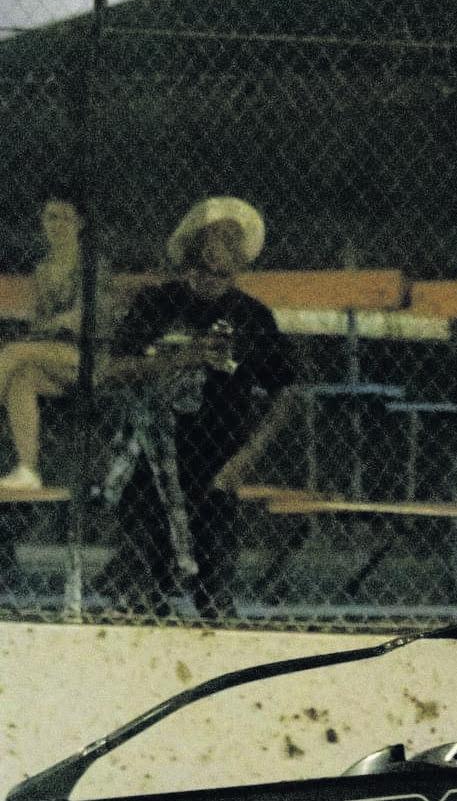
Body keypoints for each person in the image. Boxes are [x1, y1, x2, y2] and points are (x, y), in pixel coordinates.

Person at [94, 197, 298, 618]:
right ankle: (137, 590)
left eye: (235, 242)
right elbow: (112, 370)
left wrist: (247, 457)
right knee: (140, 595)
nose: (223, 248)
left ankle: (204, 599)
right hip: (153, 454)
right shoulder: (158, 302)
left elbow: (286, 392)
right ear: (194, 247)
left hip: (218, 459)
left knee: (214, 600)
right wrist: (182, 358)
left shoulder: (252, 316)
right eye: (216, 236)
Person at [0, 195, 112, 490]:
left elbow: (83, 319)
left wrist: (49, 325)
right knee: (21, 378)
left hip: (88, 357)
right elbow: (40, 322)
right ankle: (28, 470)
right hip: (50, 356)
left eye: (65, 217)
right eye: (51, 217)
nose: (58, 224)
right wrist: (46, 326)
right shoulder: (42, 269)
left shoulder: (91, 265)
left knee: (12, 353)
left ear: (80, 223)